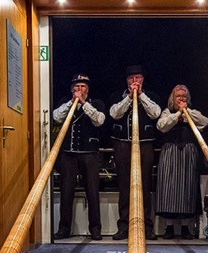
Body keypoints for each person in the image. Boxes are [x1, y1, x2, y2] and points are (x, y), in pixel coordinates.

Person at [109, 65, 161, 240]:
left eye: (138, 78)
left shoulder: (151, 96)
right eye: (131, 79)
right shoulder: (117, 96)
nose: (135, 81)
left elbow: (155, 114)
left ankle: (146, 227)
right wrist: (130, 97)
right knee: (124, 186)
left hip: (145, 145)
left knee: (145, 186)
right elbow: (114, 114)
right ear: (127, 81)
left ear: (142, 80)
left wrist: (141, 96)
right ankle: (124, 226)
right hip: (123, 144)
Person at [53, 73, 106, 241]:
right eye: (76, 86)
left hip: (89, 153)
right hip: (68, 154)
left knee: (92, 192)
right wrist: (72, 102)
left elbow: (99, 120)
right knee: (66, 191)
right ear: (72, 89)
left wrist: (83, 103)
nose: (79, 89)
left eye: (83, 87)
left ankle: (95, 229)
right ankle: (64, 229)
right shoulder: (65, 102)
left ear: (87, 90)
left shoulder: (96, 103)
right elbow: (56, 117)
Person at [156, 84, 208, 239]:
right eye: (178, 96)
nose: (181, 99)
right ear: (173, 98)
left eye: (184, 96)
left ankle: (186, 227)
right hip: (170, 152)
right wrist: (178, 113)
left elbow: (204, 122)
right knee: (168, 189)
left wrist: (187, 112)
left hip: (187, 153)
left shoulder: (193, 112)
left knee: (187, 188)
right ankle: (169, 227)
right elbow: (162, 126)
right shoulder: (167, 112)